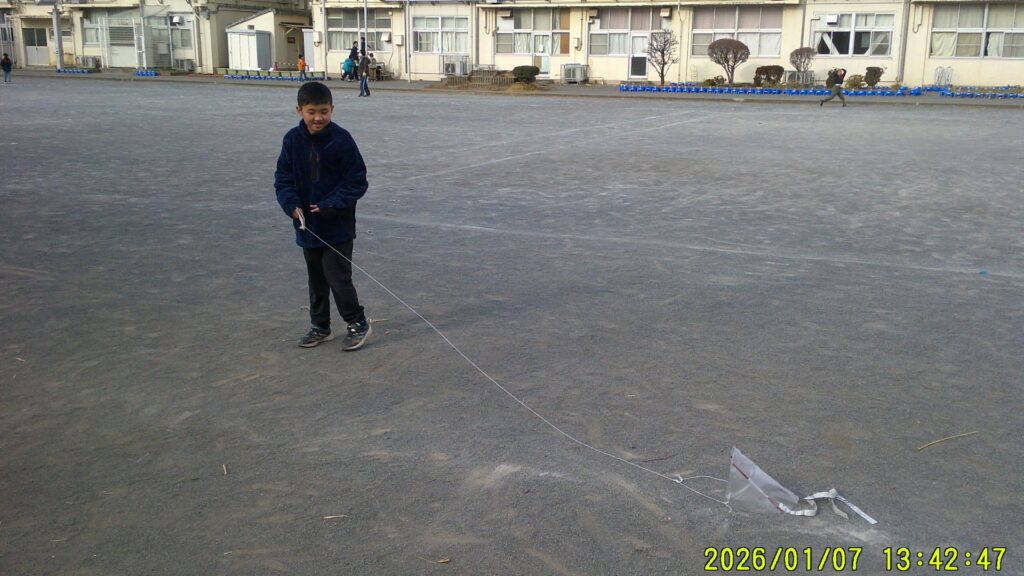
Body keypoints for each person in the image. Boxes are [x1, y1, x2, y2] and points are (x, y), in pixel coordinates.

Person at [274, 82, 371, 350]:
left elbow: (357, 181)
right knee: (316, 279)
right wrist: (291, 205)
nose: (318, 118)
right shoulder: (292, 140)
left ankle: (357, 322)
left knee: (338, 278)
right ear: (299, 111)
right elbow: (283, 179)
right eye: (312, 112)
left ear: (332, 109)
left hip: (337, 227)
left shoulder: (342, 139)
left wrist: (331, 205)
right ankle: (320, 326)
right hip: (307, 227)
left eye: (324, 111)